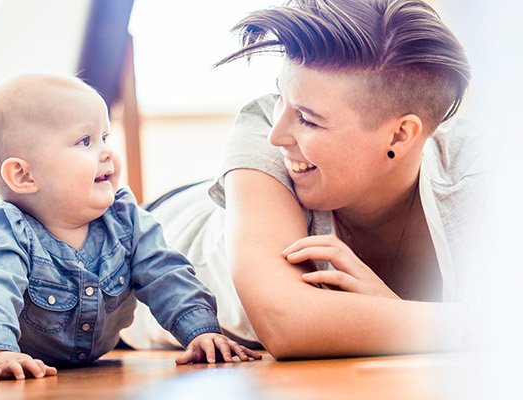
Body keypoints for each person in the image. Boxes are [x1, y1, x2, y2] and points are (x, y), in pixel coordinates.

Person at [120, 0, 480, 359]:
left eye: (309, 119)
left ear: (400, 136)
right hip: (133, 248)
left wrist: (398, 311)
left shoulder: (476, 173)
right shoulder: (261, 128)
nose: (277, 135)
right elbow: (286, 322)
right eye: (281, 98)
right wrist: (473, 325)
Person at [0, 74, 260, 381]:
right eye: (85, 141)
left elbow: (165, 273)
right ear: (24, 176)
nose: (107, 154)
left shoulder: (124, 218)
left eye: (104, 137)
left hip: (63, 354)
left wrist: (201, 331)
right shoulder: (12, 230)